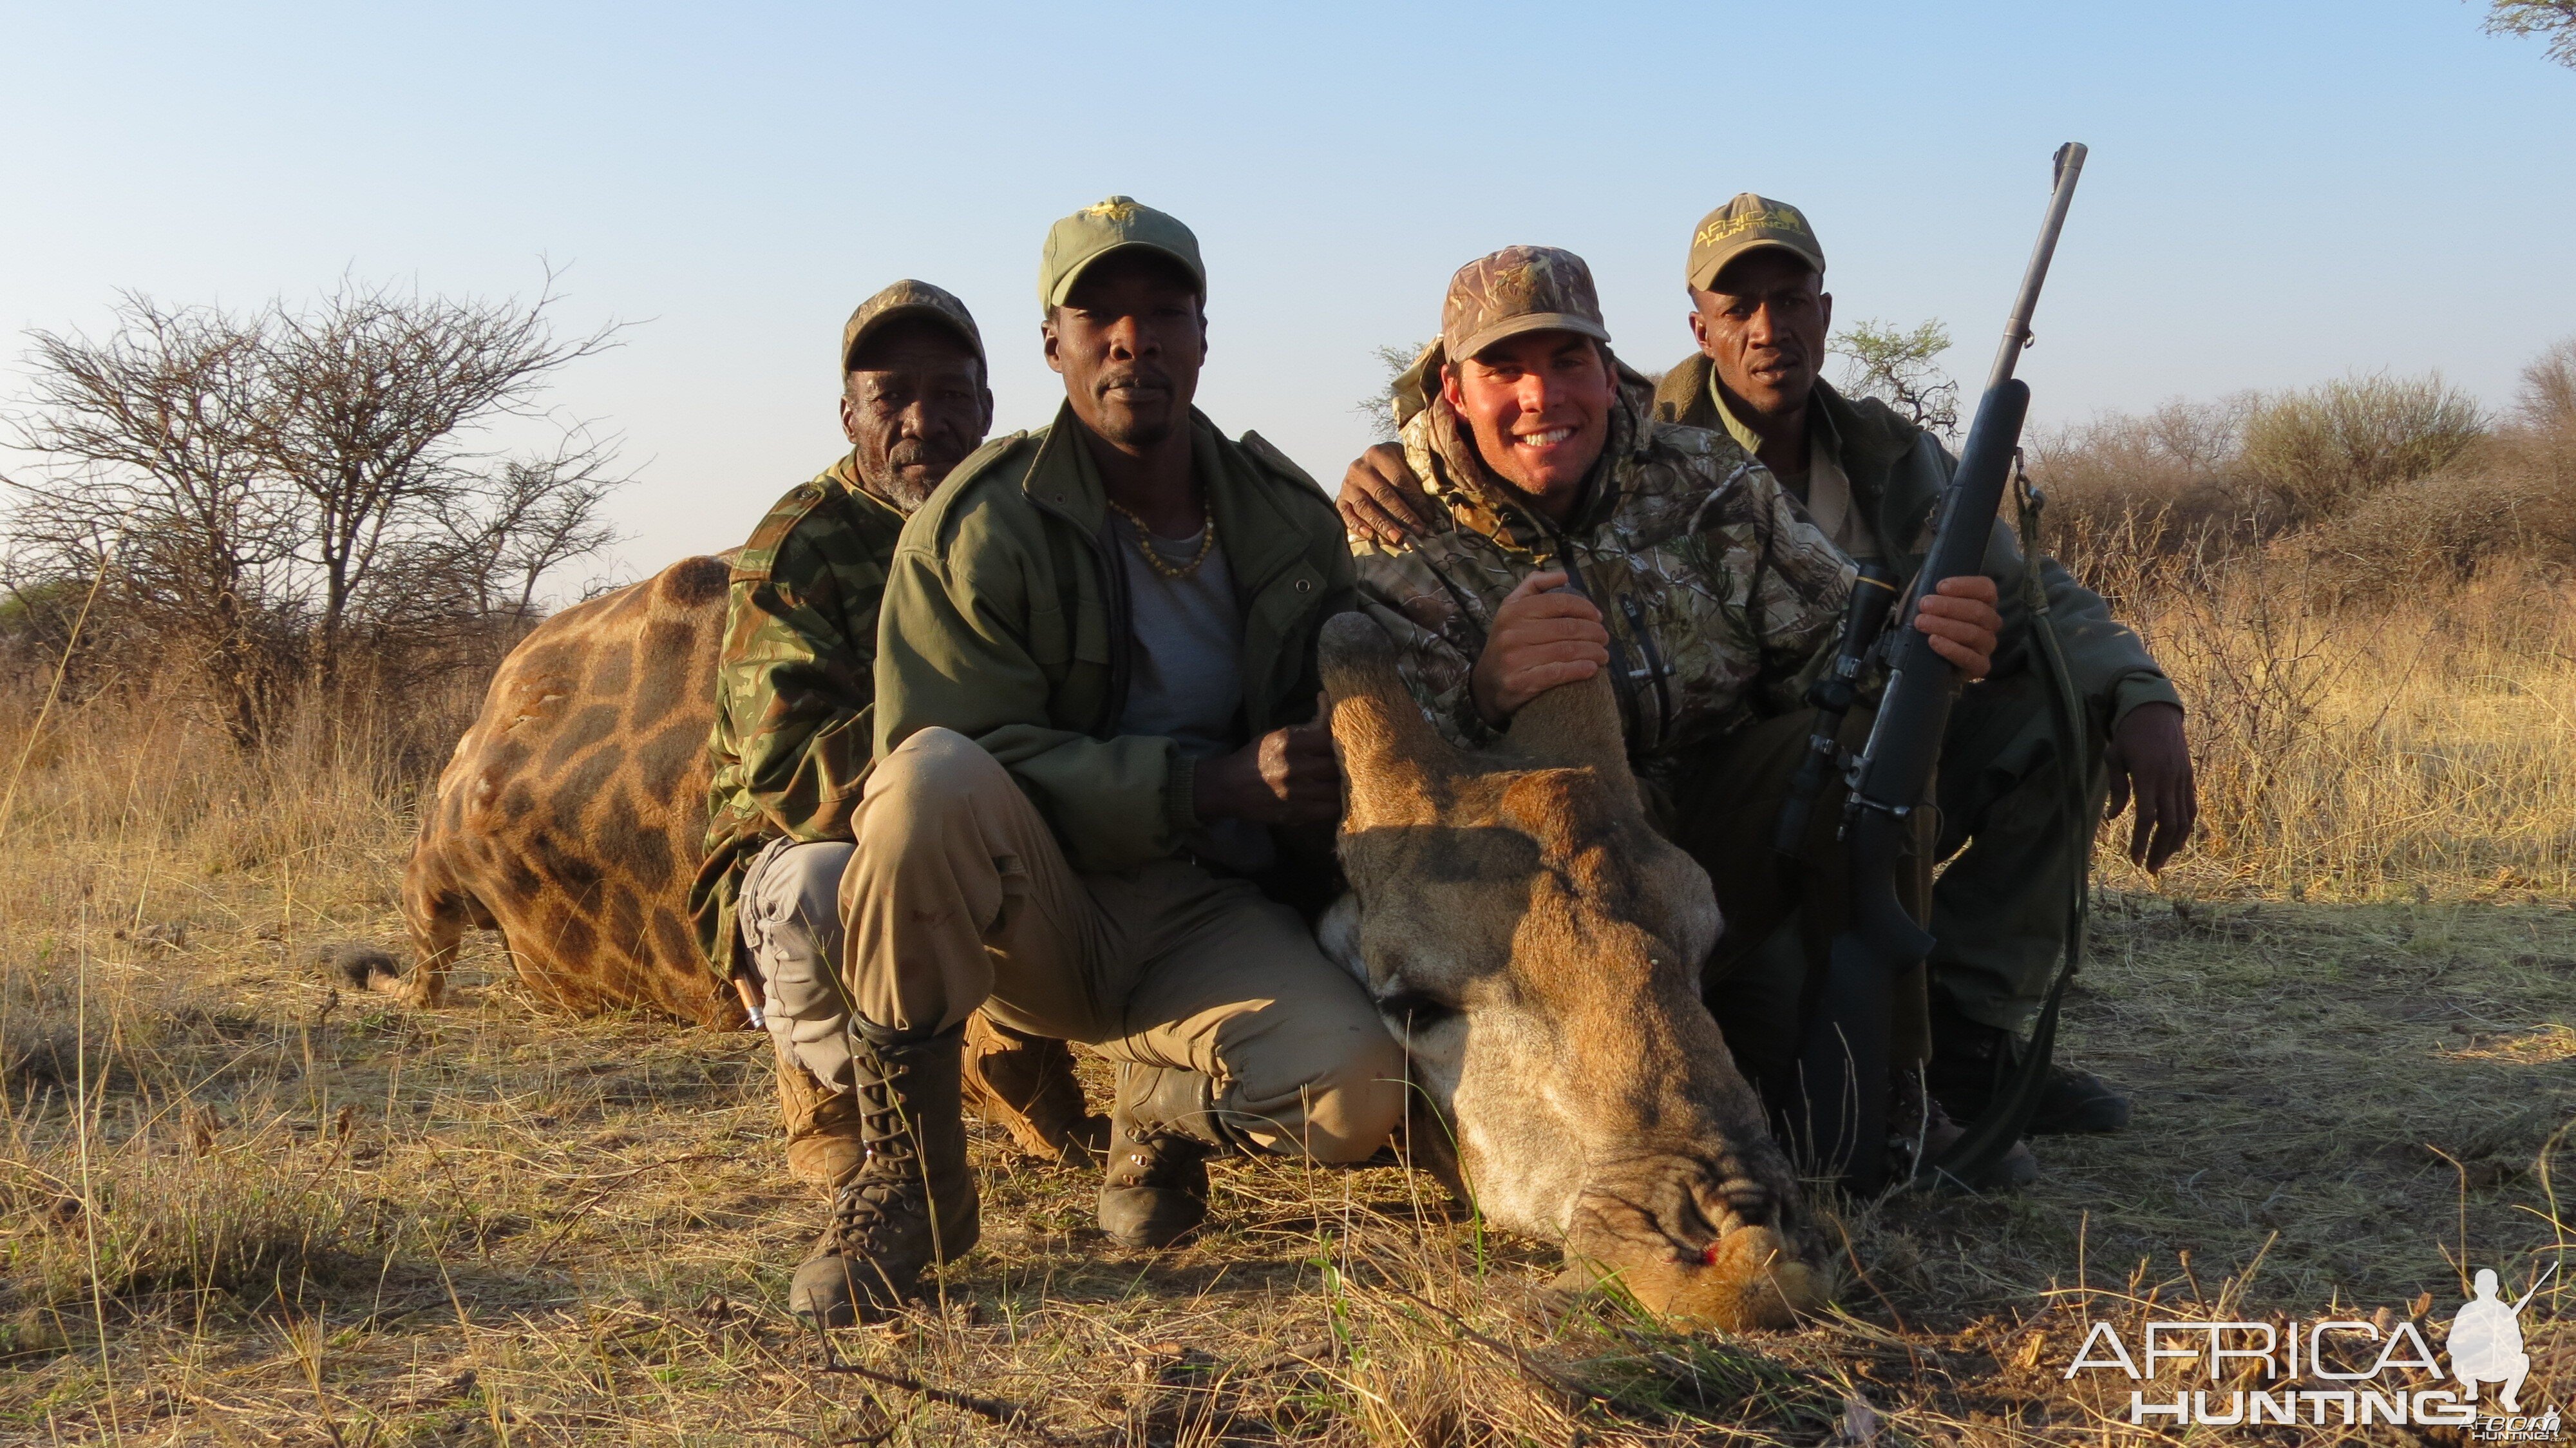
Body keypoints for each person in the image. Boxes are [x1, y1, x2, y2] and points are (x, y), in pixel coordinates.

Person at [1342, 196, 2197, 1137]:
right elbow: (1383, 795)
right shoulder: (1391, 534)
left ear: (1604, 367)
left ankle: (1933, 1068)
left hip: (1715, 854)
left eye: (1566, 361)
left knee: (1876, 761)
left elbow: (1845, 656)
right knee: (1710, 1107)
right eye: (1503, 368)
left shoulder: (1713, 480)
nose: (1541, 396)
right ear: (1454, 391)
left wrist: (1927, 651)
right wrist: (1486, 696)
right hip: (1546, 904)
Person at [786, 197, 1406, 1326]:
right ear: (1053, 347)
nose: (1134, 341)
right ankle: (912, 1182)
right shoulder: (978, 525)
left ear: (1203, 336)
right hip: (1041, 907)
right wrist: (1208, 786)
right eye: (1099, 316)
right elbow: (960, 753)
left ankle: (1159, 1105)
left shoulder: (1291, 523)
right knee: (924, 780)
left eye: (1164, 312)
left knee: (1360, 1097)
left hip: (1211, 912)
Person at [688, 280, 1098, 1199]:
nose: (923, 421)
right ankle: (826, 1091)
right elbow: (794, 778)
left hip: (990, 805)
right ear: (849, 416)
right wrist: (980, 749)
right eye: (891, 398)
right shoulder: (801, 548)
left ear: (988, 408)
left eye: (951, 395)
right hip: (818, 836)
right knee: (817, 886)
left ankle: (1015, 1060)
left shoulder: (1026, 515)